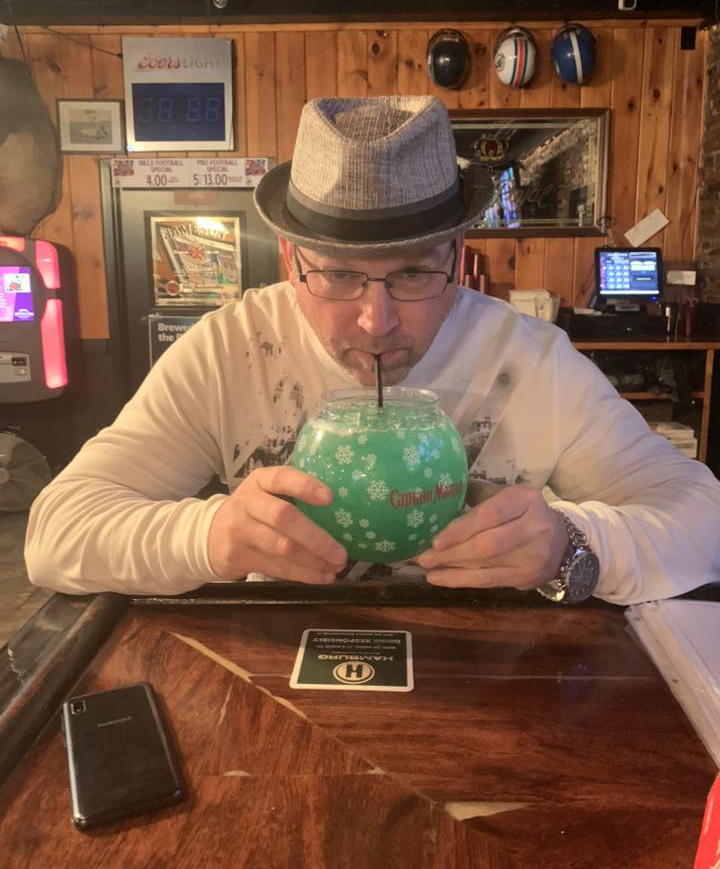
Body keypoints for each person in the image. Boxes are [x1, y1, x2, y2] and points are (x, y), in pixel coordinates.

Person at [25, 96, 720, 604]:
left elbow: (701, 517)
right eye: (336, 274)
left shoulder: (535, 362)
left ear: (457, 255)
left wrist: (572, 544)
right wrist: (210, 536)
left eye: (414, 273)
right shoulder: (227, 350)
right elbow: (57, 532)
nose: (376, 321)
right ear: (290, 260)